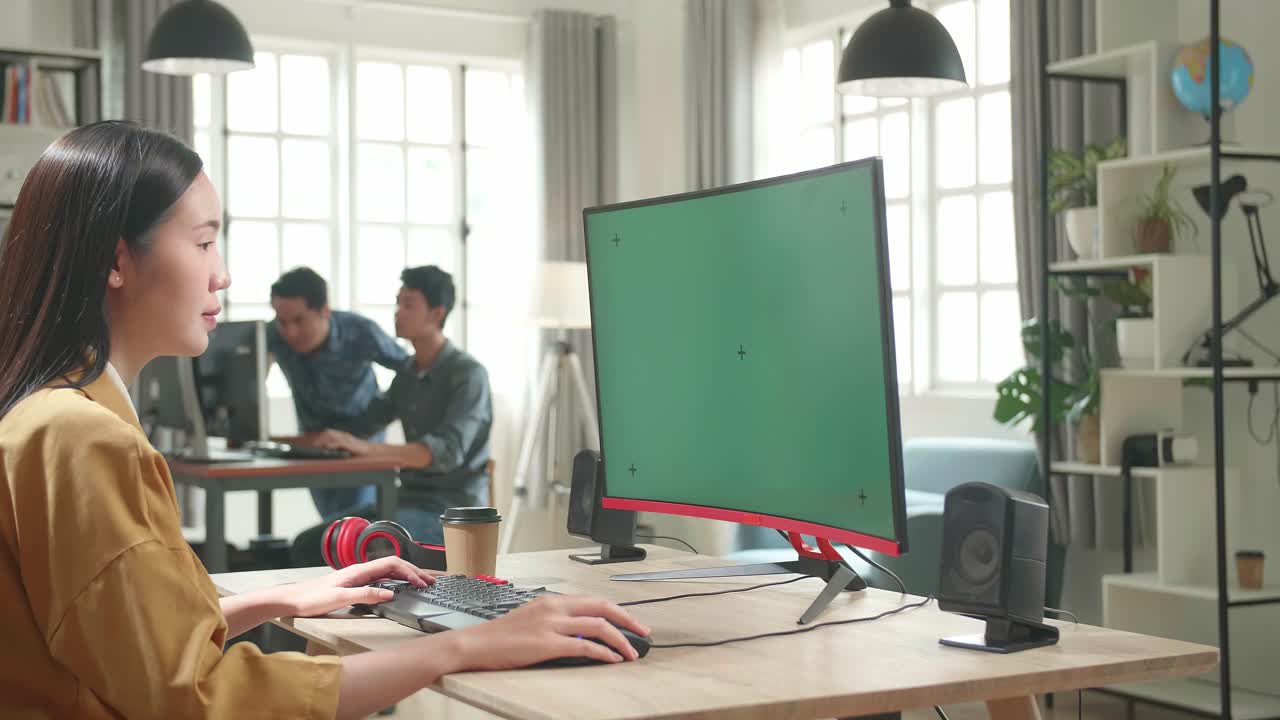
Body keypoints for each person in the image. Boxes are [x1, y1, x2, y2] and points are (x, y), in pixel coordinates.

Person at [0, 121, 647, 719]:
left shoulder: (47, 419)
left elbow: (123, 631)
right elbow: (195, 698)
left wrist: (289, 598)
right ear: (117, 261)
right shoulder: (85, 440)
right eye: (202, 242)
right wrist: (466, 647)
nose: (222, 274)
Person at [292, 266, 489, 565]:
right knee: (311, 544)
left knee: (354, 548)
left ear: (437, 314)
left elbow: (444, 452)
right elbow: (365, 423)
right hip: (403, 500)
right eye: (398, 303)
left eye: (409, 305)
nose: (398, 312)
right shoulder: (408, 372)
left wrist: (364, 447)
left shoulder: (468, 374)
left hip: (450, 514)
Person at [268, 267, 407, 518]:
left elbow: (411, 371)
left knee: (355, 524)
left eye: (299, 321)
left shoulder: (359, 331)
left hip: (360, 442)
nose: (289, 332)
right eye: (282, 322)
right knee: (331, 526)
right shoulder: (271, 335)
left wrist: (377, 416)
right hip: (313, 443)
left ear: (324, 311)